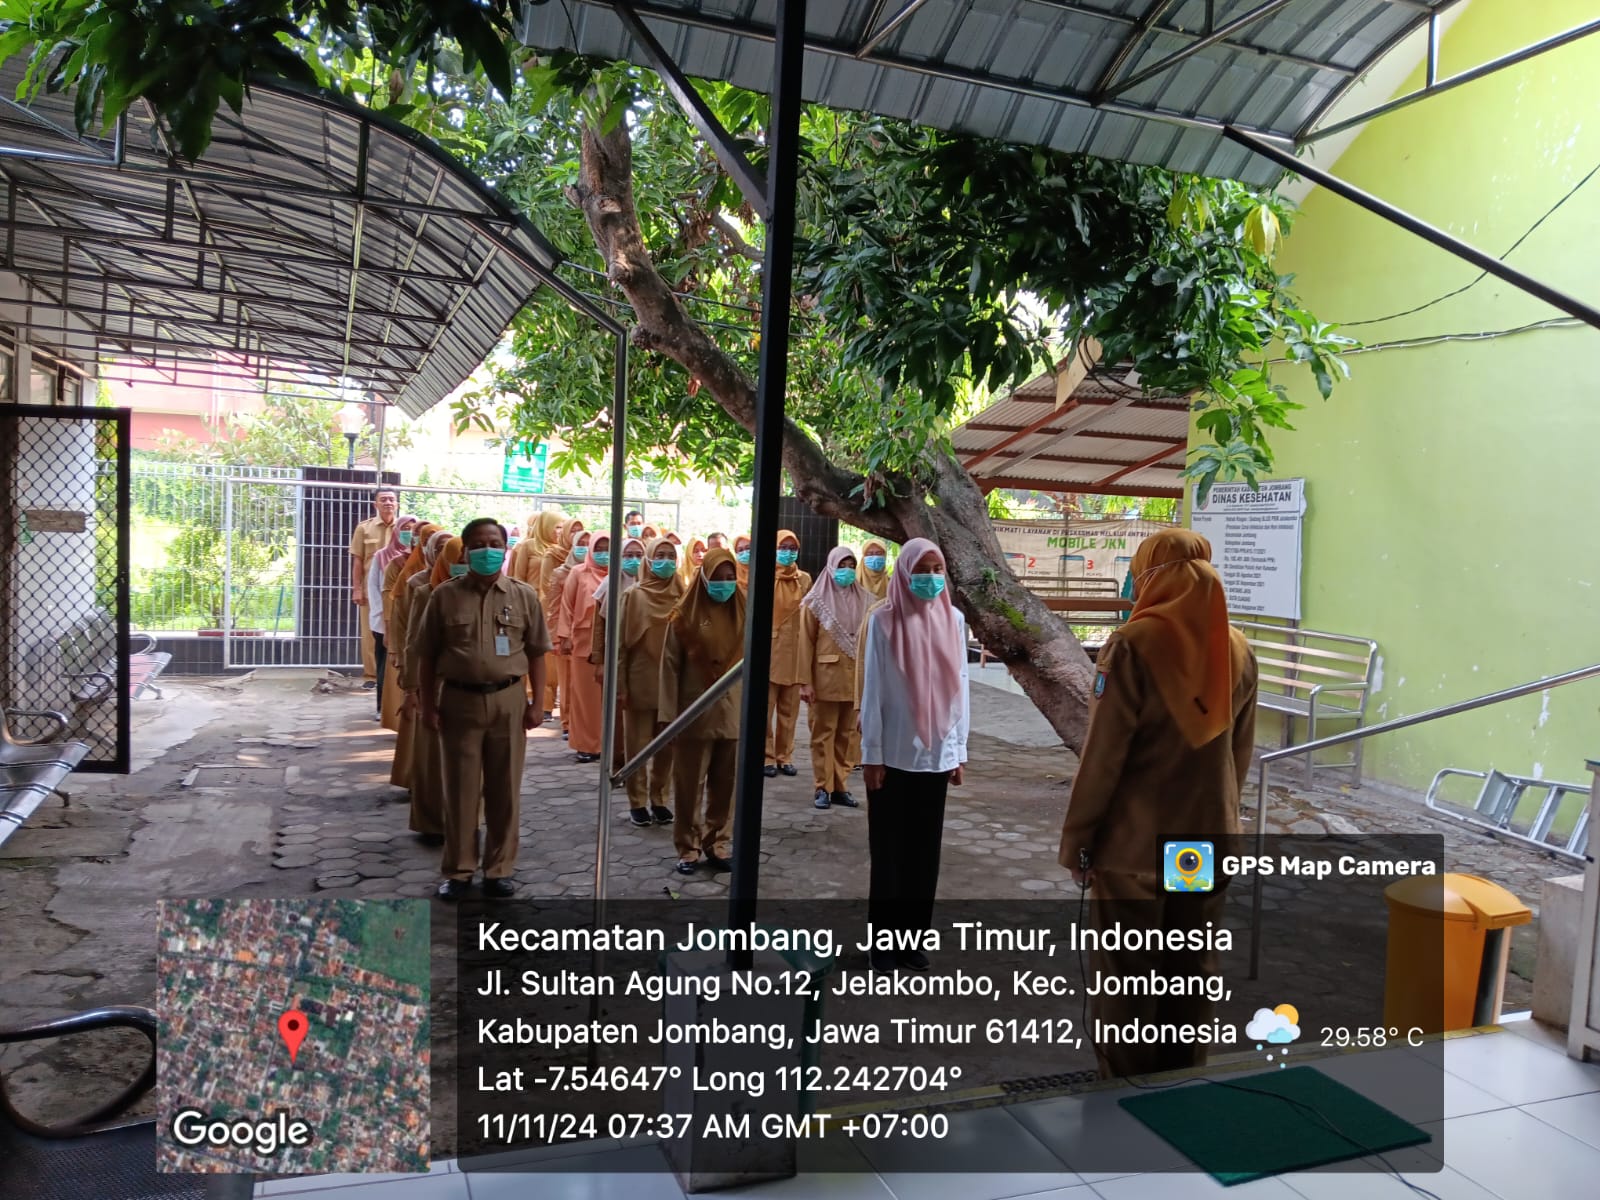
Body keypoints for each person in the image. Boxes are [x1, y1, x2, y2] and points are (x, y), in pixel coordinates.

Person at [1057, 529, 1257, 1079]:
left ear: (1152, 577)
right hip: (1202, 844)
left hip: (1135, 848)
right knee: (1189, 970)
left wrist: (1078, 842)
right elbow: (1239, 756)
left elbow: (1104, 757)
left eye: (1138, 575)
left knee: (1127, 976)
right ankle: (1182, 1082)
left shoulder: (1131, 644)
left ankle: (1125, 1090)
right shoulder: (1237, 647)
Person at [414, 518, 550, 899]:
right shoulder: (444, 596)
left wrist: (538, 704)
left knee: (505, 790)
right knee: (460, 791)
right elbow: (426, 656)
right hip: (458, 703)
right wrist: (428, 705)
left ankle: (498, 869)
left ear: (505, 550)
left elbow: (537, 653)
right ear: (465, 551)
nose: (486, 550)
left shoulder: (524, 595)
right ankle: (459, 871)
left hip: (509, 701)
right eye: (478, 544)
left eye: (494, 544)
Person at [858, 538, 970, 972]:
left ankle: (912, 942)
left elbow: (960, 688)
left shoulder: (954, 620)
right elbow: (873, 691)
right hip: (893, 755)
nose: (930, 578)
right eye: (922, 570)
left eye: (937, 569)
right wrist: (872, 755)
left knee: (925, 854)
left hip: (937, 755)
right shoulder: (884, 621)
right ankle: (882, 945)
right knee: (888, 853)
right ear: (905, 572)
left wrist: (958, 750)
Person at [659, 547, 744, 876]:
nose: (725, 583)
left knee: (727, 784)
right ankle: (688, 846)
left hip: (733, 714)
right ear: (703, 578)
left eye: (730, 577)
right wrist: (668, 718)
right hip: (693, 714)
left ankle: (717, 842)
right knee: (688, 785)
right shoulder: (683, 616)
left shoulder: (746, 611)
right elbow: (669, 668)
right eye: (717, 578)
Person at [606, 536, 680, 827]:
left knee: (668, 743)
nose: (666, 561)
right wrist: (620, 685)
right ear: (648, 560)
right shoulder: (633, 596)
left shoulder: (683, 593)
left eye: (671, 556)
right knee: (637, 744)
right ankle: (637, 802)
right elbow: (620, 646)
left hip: (672, 682)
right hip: (639, 680)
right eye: (659, 555)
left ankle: (659, 798)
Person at [799, 546, 869, 810]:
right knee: (822, 734)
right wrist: (805, 682)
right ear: (831, 567)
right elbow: (804, 643)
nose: (847, 571)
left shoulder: (865, 599)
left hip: (853, 682)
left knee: (847, 736)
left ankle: (840, 785)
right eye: (842, 565)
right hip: (824, 680)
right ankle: (822, 787)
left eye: (851, 566)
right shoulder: (815, 602)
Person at [396, 531, 453, 843]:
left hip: (465, 686)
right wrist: (411, 687)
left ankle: (462, 820)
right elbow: (413, 641)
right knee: (431, 757)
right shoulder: (421, 588)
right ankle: (432, 821)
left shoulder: (473, 591)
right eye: (442, 550)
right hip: (433, 683)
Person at [383, 519, 437, 787]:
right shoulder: (414, 580)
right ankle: (414, 778)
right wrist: (399, 653)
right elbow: (402, 620)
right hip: (417, 660)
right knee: (417, 723)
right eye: (432, 544)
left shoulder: (461, 584)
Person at [558, 532, 610, 763]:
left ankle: (609, 743)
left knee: (609, 697)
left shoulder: (620, 573)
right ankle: (587, 745)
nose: (603, 553)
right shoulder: (578, 572)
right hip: (583, 643)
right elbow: (567, 605)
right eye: (598, 548)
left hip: (612, 643)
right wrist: (564, 636)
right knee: (585, 697)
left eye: (608, 548)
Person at [764, 529, 811, 778]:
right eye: (783, 547)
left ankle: (785, 756)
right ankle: (766, 756)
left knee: (789, 711)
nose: (788, 552)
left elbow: (809, 614)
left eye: (793, 548)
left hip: (795, 651)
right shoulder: (764, 574)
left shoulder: (804, 579)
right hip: (770, 651)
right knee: (765, 710)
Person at [514, 511, 564, 716]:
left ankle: (546, 703)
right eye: (556, 526)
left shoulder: (563, 550)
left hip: (552, 607)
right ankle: (527, 697)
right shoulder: (528, 547)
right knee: (530, 652)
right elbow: (518, 576)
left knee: (549, 656)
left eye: (562, 527)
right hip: (530, 604)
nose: (559, 531)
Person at [369, 514, 418, 721]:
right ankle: (382, 707)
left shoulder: (420, 559)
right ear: (397, 531)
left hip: (409, 622)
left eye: (412, 530)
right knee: (385, 666)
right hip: (384, 620)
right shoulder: (383, 556)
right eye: (404, 528)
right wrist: (383, 616)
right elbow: (375, 587)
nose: (409, 533)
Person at [350, 488, 398, 688]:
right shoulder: (364, 528)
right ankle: (371, 676)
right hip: (371, 589)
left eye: (391, 499)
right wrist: (357, 588)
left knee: (397, 629)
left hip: (397, 589)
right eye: (383, 499)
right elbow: (358, 560)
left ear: (397, 504)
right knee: (371, 632)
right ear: (375, 504)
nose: (388, 503)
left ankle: (393, 675)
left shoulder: (405, 528)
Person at [539, 518, 583, 738]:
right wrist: (556, 634)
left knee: (581, 683)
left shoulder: (597, 570)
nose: (577, 536)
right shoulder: (557, 565)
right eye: (573, 532)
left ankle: (581, 723)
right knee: (563, 678)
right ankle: (566, 721)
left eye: (581, 532)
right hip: (563, 629)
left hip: (585, 633)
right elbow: (550, 597)